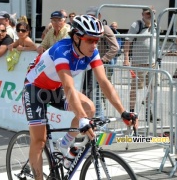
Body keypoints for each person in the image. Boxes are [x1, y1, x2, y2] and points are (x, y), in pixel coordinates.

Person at [22, 15, 138, 180]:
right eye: (90, 40)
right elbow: (69, 87)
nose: (94, 45)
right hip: (35, 89)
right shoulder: (62, 50)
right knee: (39, 140)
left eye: (97, 40)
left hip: (55, 88)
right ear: (76, 37)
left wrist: (123, 111)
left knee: (89, 108)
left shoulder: (92, 52)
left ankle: (64, 145)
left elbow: (104, 82)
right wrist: (82, 119)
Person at [83, 6, 119, 118]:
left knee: (95, 94)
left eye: (93, 16)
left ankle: (100, 122)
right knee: (87, 93)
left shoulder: (105, 28)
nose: (91, 18)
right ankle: (90, 120)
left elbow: (115, 47)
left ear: (99, 16)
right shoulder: (86, 29)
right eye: (89, 16)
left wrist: (102, 60)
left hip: (98, 66)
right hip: (86, 66)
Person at [123, 6, 157, 122]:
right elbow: (127, 41)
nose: (150, 15)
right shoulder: (137, 25)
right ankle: (131, 111)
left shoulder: (155, 25)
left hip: (152, 63)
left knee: (153, 87)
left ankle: (148, 109)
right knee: (135, 88)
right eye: (148, 13)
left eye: (152, 13)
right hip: (139, 63)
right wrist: (126, 59)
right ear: (142, 14)